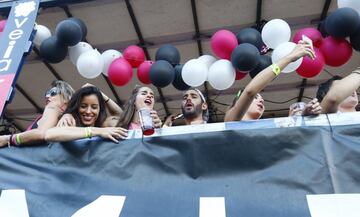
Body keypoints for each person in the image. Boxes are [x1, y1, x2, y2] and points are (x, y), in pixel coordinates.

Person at [224, 41, 315, 122]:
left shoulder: (263, 131)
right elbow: (250, 91)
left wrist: (291, 121)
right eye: (255, 97)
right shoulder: (231, 119)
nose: (261, 100)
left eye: (261, 99)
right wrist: (289, 57)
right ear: (238, 101)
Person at [0, 80, 74, 148]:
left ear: (66, 97)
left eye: (53, 92)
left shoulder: (53, 107)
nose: (48, 96)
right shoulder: (69, 117)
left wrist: (8, 139)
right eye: (47, 93)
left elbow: (41, 134)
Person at [45, 86, 128, 143]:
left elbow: (121, 117)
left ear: (100, 109)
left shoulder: (104, 124)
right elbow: (49, 135)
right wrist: (95, 131)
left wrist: (100, 93)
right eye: (83, 106)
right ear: (76, 107)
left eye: (94, 107)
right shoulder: (70, 120)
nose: (88, 111)